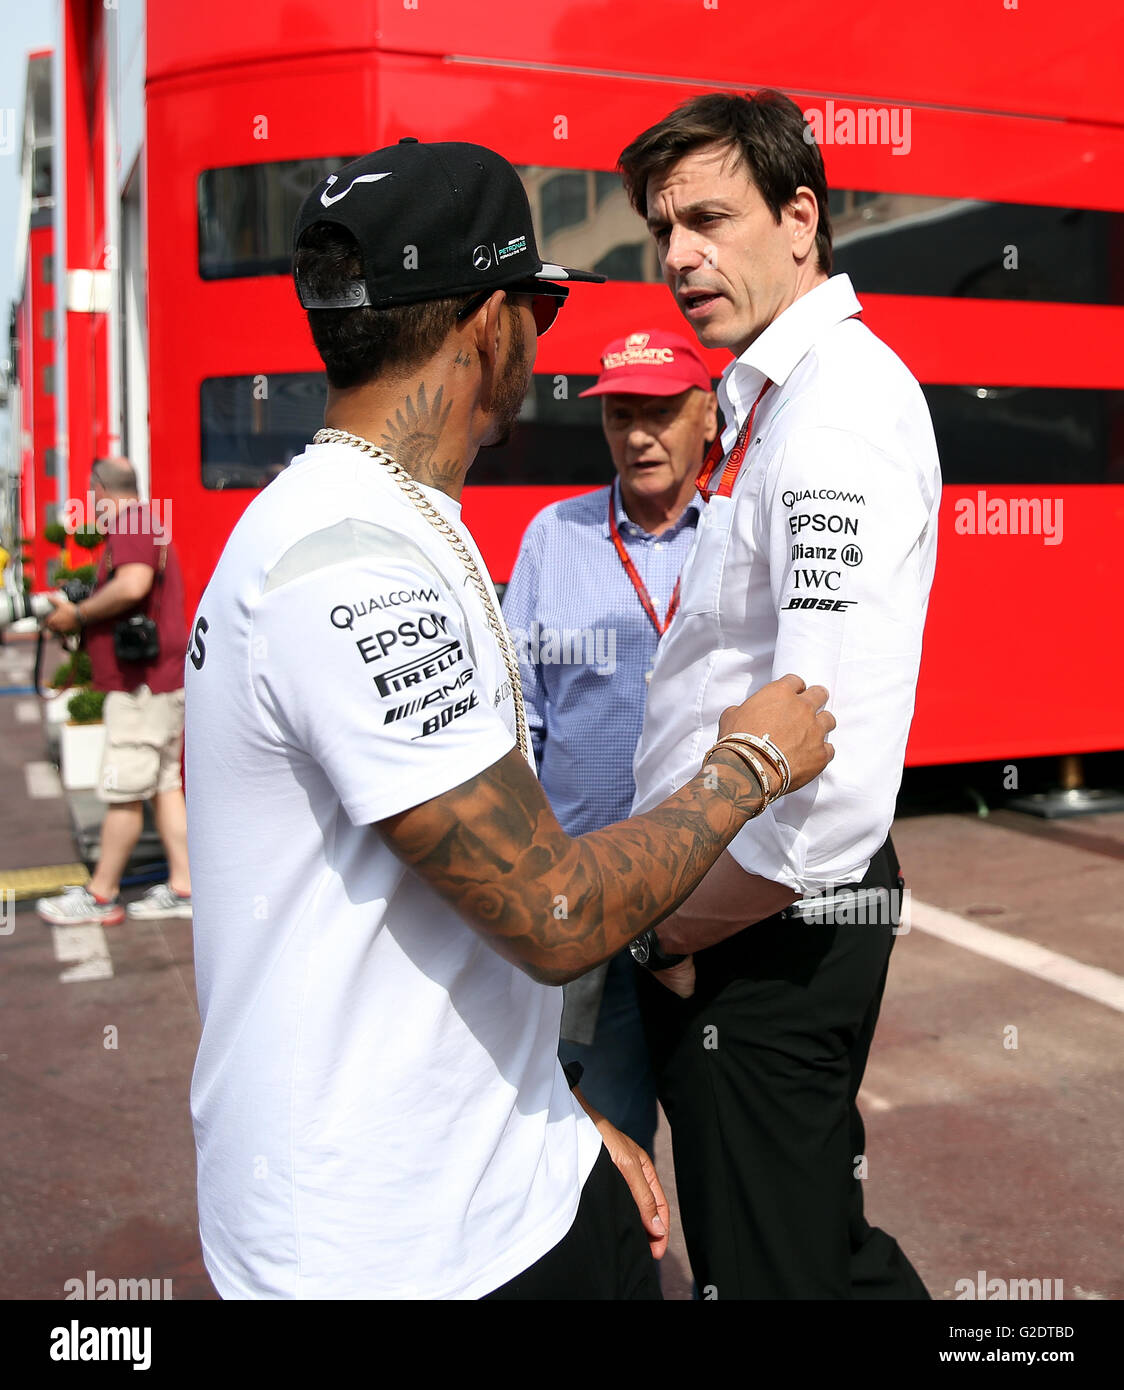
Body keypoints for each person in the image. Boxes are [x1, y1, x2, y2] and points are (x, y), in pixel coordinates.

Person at [183, 138, 836, 1300]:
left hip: (491, 1180)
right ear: (488, 322)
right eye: (539, 300)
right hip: (392, 1251)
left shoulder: (366, 522)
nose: (543, 331)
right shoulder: (351, 566)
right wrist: (747, 765)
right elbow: (551, 908)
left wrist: (555, 1116)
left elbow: (431, 928)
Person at [619, 91, 941, 1298]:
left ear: (799, 217)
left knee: (778, 1271)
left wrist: (663, 930)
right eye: (662, 227)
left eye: (708, 216)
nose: (677, 256)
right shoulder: (782, 399)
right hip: (739, 927)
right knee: (795, 1249)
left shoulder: (835, 416)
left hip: (756, 935)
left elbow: (822, 780)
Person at [502, 330, 717, 1153]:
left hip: (714, 898)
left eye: (660, 412)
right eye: (621, 414)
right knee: (597, 1134)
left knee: (721, 1140)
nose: (637, 434)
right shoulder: (555, 537)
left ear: (706, 418)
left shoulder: (737, 536)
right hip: (589, 898)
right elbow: (520, 712)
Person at [37, 457, 192, 926]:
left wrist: (79, 615)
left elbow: (133, 584)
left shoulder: (130, 525)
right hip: (161, 682)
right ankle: (185, 886)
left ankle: (101, 894)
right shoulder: (148, 523)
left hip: (141, 686)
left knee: (124, 789)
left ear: (100, 490)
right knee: (164, 785)